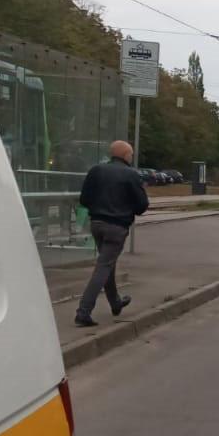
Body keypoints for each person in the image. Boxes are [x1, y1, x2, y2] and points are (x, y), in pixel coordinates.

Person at [74, 140, 148, 327]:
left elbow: (84, 199)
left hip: (97, 224)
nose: (131, 157)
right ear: (125, 155)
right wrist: (127, 208)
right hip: (117, 227)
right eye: (131, 154)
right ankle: (83, 311)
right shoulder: (131, 174)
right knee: (104, 266)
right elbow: (142, 206)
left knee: (107, 264)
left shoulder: (96, 170)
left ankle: (115, 302)